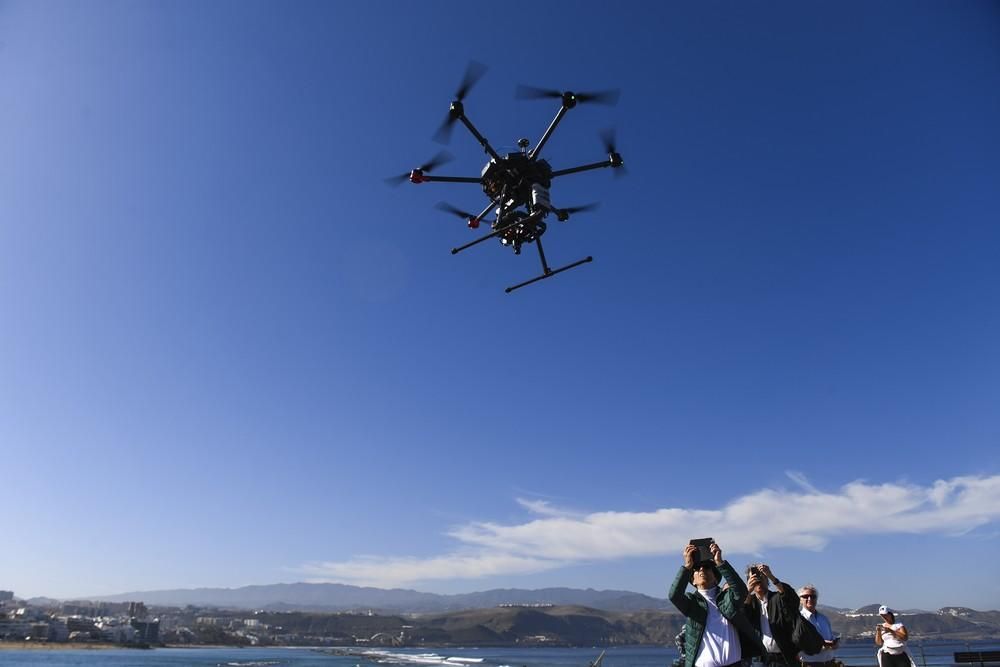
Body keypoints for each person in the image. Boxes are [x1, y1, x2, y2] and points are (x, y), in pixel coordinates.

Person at [669, 541, 763, 667]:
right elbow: (674, 596)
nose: (702, 569)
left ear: (715, 576)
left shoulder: (727, 598)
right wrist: (687, 566)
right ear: (692, 580)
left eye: (707, 567)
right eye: (697, 569)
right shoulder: (692, 603)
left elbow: (741, 591)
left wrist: (720, 562)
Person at [742, 563, 799, 666]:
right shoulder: (749, 602)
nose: (758, 579)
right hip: (758, 660)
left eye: (761, 576)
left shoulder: (777, 598)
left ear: (767, 579)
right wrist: (747, 591)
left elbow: (792, 598)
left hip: (782, 659)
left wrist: (771, 576)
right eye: (754, 577)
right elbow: (740, 616)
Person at [797, 584, 840, 667]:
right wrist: (821, 645)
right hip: (810, 664)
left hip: (830, 663)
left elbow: (830, 638)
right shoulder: (798, 619)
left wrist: (834, 644)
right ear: (800, 600)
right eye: (806, 596)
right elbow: (797, 643)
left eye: (813, 596)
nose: (809, 599)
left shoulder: (824, 619)